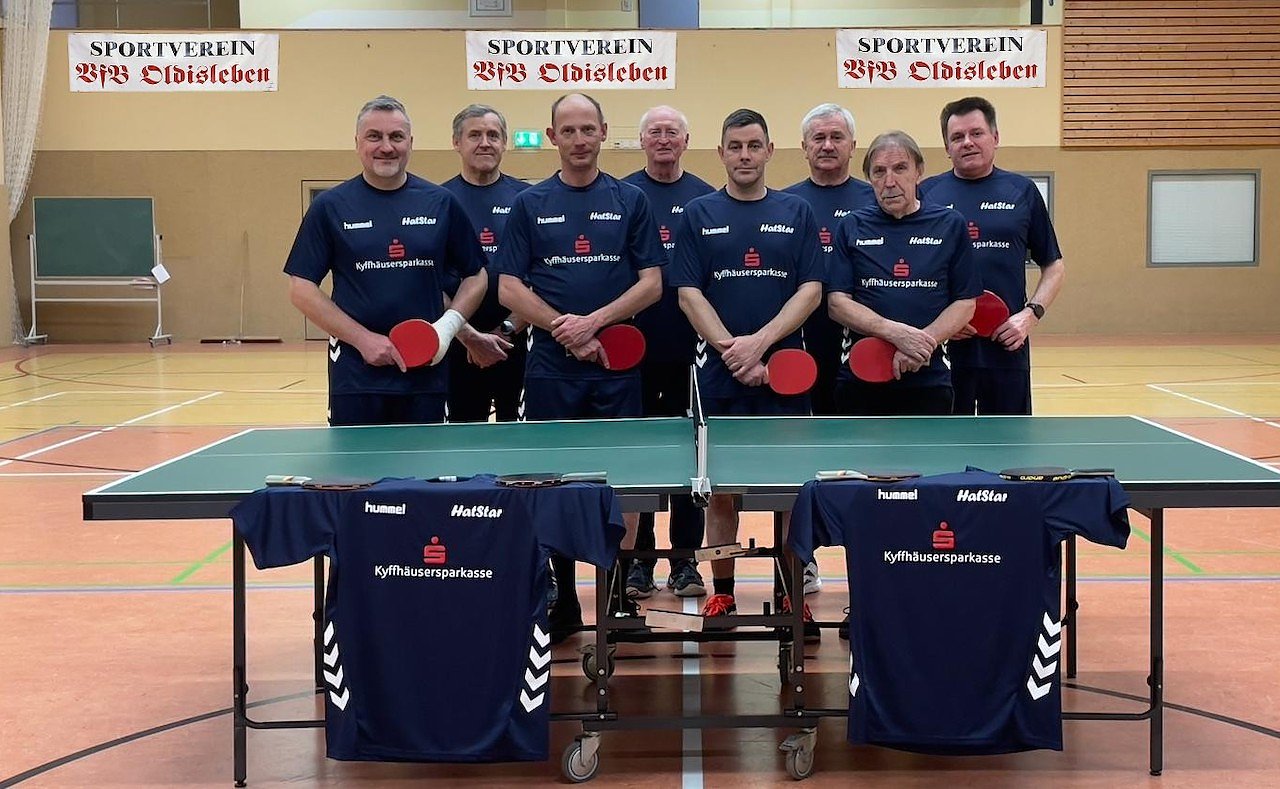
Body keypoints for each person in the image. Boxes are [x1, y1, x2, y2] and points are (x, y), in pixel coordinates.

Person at [494, 92, 665, 643]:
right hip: (550, 369)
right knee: (554, 486)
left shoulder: (631, 199)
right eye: (567, 130)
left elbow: (652, 283)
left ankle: (616, 601)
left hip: (617, 367)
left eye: (588, 129)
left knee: (622, 487)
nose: (579, 139)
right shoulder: (529, 204)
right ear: (552, 137)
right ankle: (563, 598)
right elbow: (508, 287)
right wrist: (561, 329)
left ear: (604, 132)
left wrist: (594, 324)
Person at [669, 109, 824, 640]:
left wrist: (760, 345)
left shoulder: (797, 211)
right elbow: (688, 293)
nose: (744, 155)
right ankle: (723, 593)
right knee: (720, 494)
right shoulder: (698, 213)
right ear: (721, 153)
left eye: (754, 145)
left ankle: (791, 593)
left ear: (769, 151)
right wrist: (732, 351)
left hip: (785, 373)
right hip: (719, 376)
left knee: (790, 494)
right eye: (734, 146)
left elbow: (811, 290)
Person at [285, 95, 488, 426]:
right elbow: (301, 288)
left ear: (410, 143)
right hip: (355, 374)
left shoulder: (441, 202)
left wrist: (446, 329)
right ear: (357, 143)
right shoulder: (330, 206)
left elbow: (476, 276)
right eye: (374, 136)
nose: (386, 147)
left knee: (424, 461)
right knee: (356, 461)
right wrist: (362, 339)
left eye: (396, 137)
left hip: (426, 374)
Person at [919, 96, 1065, 415]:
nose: (967, 142)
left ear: (995, 137)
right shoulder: (927, 194)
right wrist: (942, 322)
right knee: (945, 440)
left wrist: (1030, 315)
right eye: (957, 137)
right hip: (944, 350)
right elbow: (914, 268)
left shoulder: (1022, 191)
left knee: (1007, 441)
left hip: (1006, 346)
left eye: (977, 133)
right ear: (946, 147)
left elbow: (1054, 264)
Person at [620, 106, 714, 601]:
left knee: (688, 455)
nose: (663, 139)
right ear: (641, 141)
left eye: (671, 132)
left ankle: (684, 561)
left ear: (686, 140)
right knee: (641, 459)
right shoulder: (622, 196)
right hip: (632, 354)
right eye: (654, 131)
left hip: (690, 352)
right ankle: (638, 562)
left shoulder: (705, 198)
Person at [783, 102, 877, 597]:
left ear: (852, 145)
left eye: (836, 136)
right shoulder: (786, 204)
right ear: (803, 147)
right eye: (817, 137)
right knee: (802, 464)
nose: (826, 145)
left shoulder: (873, 198)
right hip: (798, 354)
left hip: (862, 358)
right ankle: (805, 559)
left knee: (859, 463)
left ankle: (868, 560)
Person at [827, 130, 981, 417]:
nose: (889, 181)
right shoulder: (851, 226)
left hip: (930, 378)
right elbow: (837, 304)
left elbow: (965, 303)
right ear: (869, 179)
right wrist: (896, 334)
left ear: (918, 171)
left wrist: (921, 344)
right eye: (879, 172)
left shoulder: (950, 224)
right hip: (861, 377)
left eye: (900, 168)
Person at [441, 104, 532, 423]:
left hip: (517, 343)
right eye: (474, 135)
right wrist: (468, 335)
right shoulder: (437, 201)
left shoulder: (528, 199)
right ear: (456, 142)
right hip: (457, 343)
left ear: (504, 143)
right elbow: (427, 279)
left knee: (520, 441)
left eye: (493, 135)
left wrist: (506, 330)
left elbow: (542, 276)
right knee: (463, 440)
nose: (485, 143)